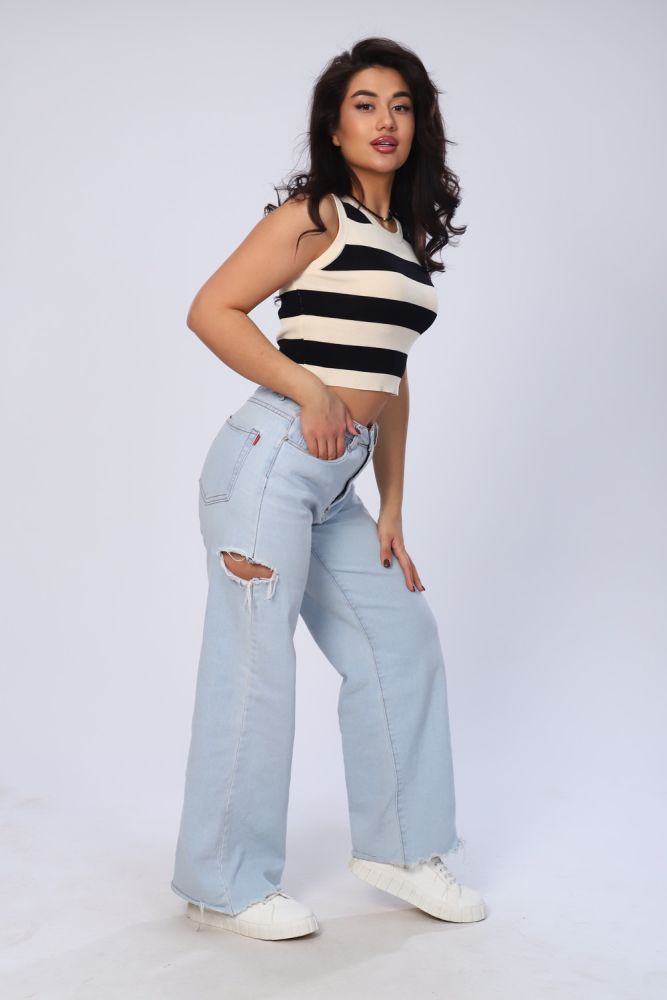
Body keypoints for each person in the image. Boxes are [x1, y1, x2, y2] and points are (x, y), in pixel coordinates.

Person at [170, 36, 487, 941]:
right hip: (270, 458)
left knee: (400, 640)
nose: (385, 121)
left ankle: (402, 847)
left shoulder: (403, 239)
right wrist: (309, 390)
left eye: (401, 105)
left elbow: (391, 377)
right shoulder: (314, 215)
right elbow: (210, 309)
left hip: (337, 482)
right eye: (364, 104)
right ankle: (222, 882)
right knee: (256, 668)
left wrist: (393, 506)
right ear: (335, 126)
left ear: (418, 124)